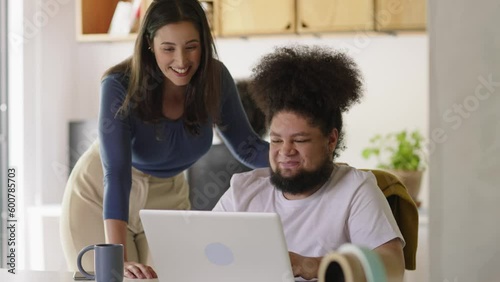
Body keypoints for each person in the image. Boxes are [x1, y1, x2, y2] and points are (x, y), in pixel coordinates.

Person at [60, 0, 268, 279]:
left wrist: (303, 158)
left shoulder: (215, 79)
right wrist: (116, 259)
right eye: (168, 48)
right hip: (101, 195)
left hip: (167, 198)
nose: (182, 61)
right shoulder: (120, 84)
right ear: (149, 43)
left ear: (204, 44)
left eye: (191, 47)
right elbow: (117, 174)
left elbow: (250, 149)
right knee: (114, 277)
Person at [212, 45, 405, 280]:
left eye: (300, 140)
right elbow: (204, 253)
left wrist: (310, 265)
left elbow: (393, 266)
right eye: (276, 140)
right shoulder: (243, 191)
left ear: (331, 140)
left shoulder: (354, 190)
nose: (285, 151)